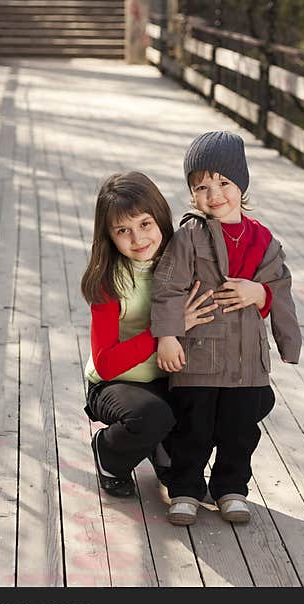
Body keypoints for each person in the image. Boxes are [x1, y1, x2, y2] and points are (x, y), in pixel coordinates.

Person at [151, 131, 302, 525]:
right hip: (199, 357)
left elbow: (279, 289)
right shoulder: (188, 238)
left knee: (240, 431)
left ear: (241, 186)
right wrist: (167, 336)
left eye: (224, 183)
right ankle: (185, 488)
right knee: (194, 428)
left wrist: (260, 295)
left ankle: (231, 488)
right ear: (192, 195)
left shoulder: (263, 241)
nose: (214, 194)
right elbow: (167, 288)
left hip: (247, 361)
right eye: (202, 187)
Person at [81, 171, 217, 498]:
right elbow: (107, 364)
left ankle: (164, 451)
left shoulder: (183, 262)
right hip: (116, 384)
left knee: (214, 403)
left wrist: (261, 292)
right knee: (151, 416)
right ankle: (109, 454)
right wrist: (166, 327)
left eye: (145, 224)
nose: (138, 238)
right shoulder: (108, 281)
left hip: (169, 379)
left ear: (160, 218)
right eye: (123, 230)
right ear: (109, 237)